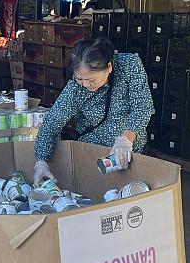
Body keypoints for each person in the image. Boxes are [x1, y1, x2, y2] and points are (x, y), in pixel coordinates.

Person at [33, 37, 154, 186]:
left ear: (108, 68)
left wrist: (126, 139)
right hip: (93, 154)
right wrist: (41, 161)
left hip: (130, 153)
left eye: (91, 80)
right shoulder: (75, 88)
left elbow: (142, 107)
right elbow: (52, 122)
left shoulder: (130, 66)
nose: (85, 84)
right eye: (79, 78)